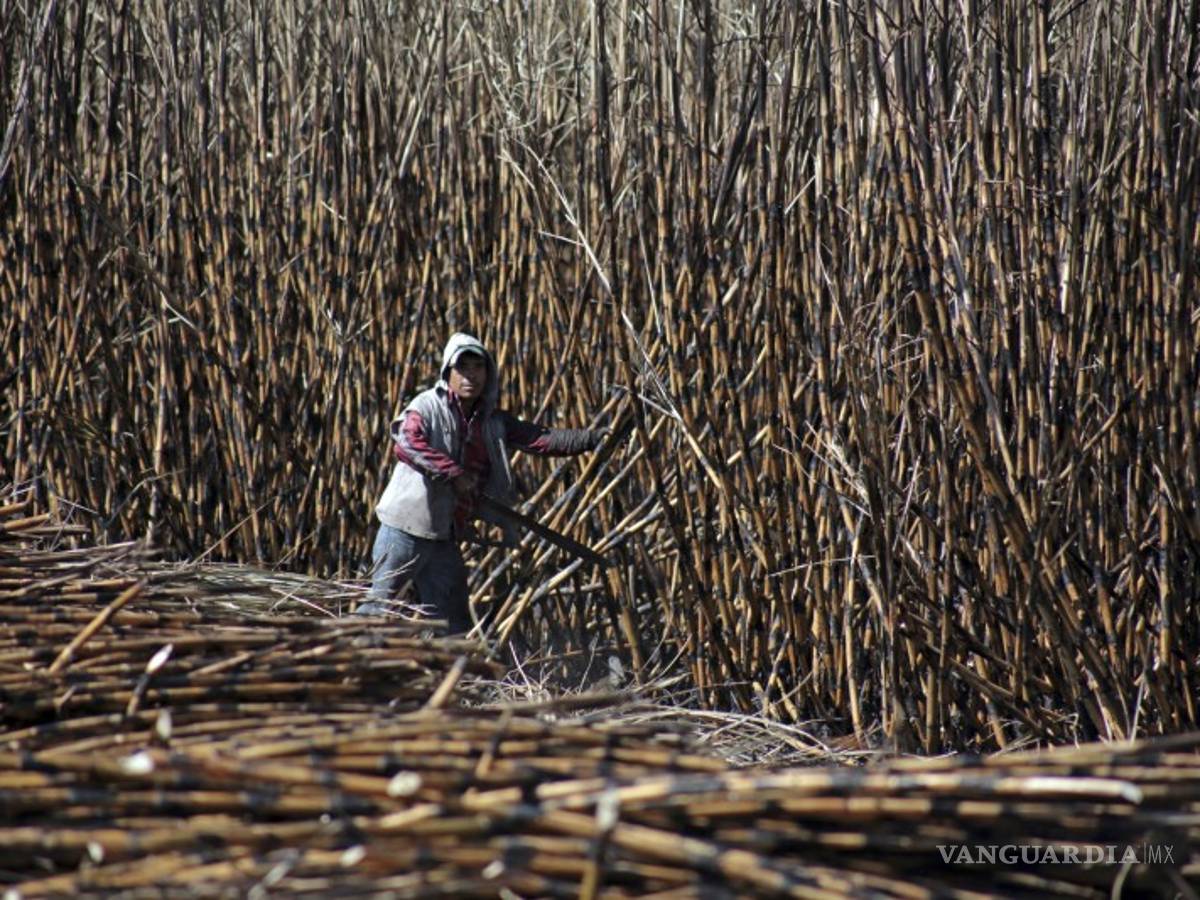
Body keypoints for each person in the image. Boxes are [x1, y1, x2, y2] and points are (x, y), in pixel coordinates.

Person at [357, 332, 602, 633]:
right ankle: (345, 666)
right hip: (404, 528)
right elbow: (406, 441)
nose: (471, 375)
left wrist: (591, 439)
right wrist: (454, 473)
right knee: (379, 606)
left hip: (443, 534)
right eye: (463, 368)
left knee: (452, 621)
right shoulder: (427, 406)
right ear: (449, 372)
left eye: (478, 367)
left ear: (488, 373)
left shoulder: (491, 420)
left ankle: (453, 677)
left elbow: (538, 438)